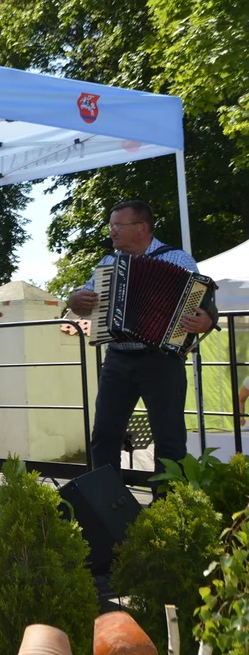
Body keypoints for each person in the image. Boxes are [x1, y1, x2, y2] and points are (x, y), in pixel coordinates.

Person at [67, 200, 215, 479]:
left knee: (169, 438)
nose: (111, 232)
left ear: (141, 227)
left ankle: (167, 508)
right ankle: (108, 507)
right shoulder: (108, 262)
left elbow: (207, 308)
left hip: (162, 359)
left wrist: (206, 320)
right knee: (104, 434)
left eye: (117, 226)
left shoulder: (178, 260)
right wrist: (75, 300)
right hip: (118, 357)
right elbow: (82, 304)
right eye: (110, 226)